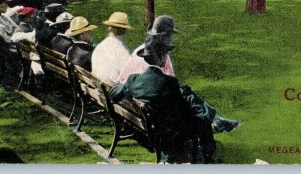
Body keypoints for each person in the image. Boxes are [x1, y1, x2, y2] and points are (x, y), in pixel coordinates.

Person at [118, 16, 240, 134]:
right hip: (154, 102)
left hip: (138, 100)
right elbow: (164, 82)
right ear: (163, 36)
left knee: (186, 93)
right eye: (170, 36)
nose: (171, 39)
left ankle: (214, 119)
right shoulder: (157, 54)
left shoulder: (146, 50)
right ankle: (212, 120)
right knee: (186, 96)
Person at [110, 32, 217, 163]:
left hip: (150, 128)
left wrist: (127, 88)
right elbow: (184, 113)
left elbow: (113, 95)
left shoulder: (133, 80)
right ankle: (209, 158)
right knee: (203, 119)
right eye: (166, 54)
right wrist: (201, 115)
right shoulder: (169, 82)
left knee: (197, 107)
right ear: (162, 58)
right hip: (167, 134)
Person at [91, 12, 133, 84]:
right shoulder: (122, 51)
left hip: (98, 89)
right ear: (124, 30)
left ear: (109, 28)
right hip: (112, 92)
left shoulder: (99, 46)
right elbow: (129, 77)